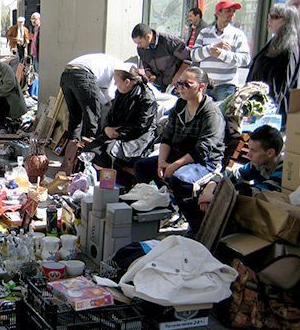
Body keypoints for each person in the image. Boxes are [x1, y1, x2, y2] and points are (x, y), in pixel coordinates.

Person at [134, 67, 225, 236]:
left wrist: (174, 165)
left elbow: (204, 148)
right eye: (179, 84)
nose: (181, 88)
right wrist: (162, 161)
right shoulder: (180, 105)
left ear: (201, 86)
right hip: (179, 155)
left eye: (187, 84)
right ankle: (167, 203)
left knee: (179, 180)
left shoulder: (211, 112)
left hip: (205, 162)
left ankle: (197, 225)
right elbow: (167, 137)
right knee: (142, 166)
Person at [84, 65, 157, 170]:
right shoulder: (120, 92)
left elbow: (141, 126)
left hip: (137, 138)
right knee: (89, 149)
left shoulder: (146, 98)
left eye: (116, 81)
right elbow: (111, 115)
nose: (114, 84)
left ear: (127, 82)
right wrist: (107, 128)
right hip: (118, 133)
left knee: (105, 153)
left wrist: (118, 132)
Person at [198, 125, 284, 214]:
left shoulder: (283, 173)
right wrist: (209, 189)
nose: (248, 155)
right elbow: (230, 176)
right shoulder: (258, 165)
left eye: (253, 150)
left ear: (270, 153)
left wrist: (216, 198)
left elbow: (256, 194)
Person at [246, 3, 300, 123]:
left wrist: (266, 110)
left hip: (271, 112)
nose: (269, 19)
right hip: (258, 105)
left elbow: (282, 84)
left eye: (276, 17)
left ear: (287, 22)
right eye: (270, 15)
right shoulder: (275, 42)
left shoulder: (289, 48)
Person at [190, 0, 251, 101]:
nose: (232, 14)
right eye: (228, 11)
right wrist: (210, 49)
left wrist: (221, 54)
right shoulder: (204, 33)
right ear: (218, 13)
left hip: (226, 86)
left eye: (233, 12)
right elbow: (194, 55)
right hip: (205, 85)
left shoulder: (237, 34)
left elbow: (245, 59)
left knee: (221, 115)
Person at [60, 53, 120, 140]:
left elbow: (95, 90)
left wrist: (106, 103)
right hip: (82, 74)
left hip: (66, 74)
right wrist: (113, 107)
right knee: (93, 118)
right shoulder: (119, 69)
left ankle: (72, 147)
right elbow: (110, 94)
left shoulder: (106, 65)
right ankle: (90, 150)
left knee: (75, 116)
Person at [131, 23, 191, 92]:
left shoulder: (170, 41)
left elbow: (188, 59)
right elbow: (145, 63)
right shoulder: (141, 49)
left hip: (176, 86)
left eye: (139, 43)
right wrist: (149, 73)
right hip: (157, 86)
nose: (138, 46)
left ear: (148, 37)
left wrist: (177, 78)